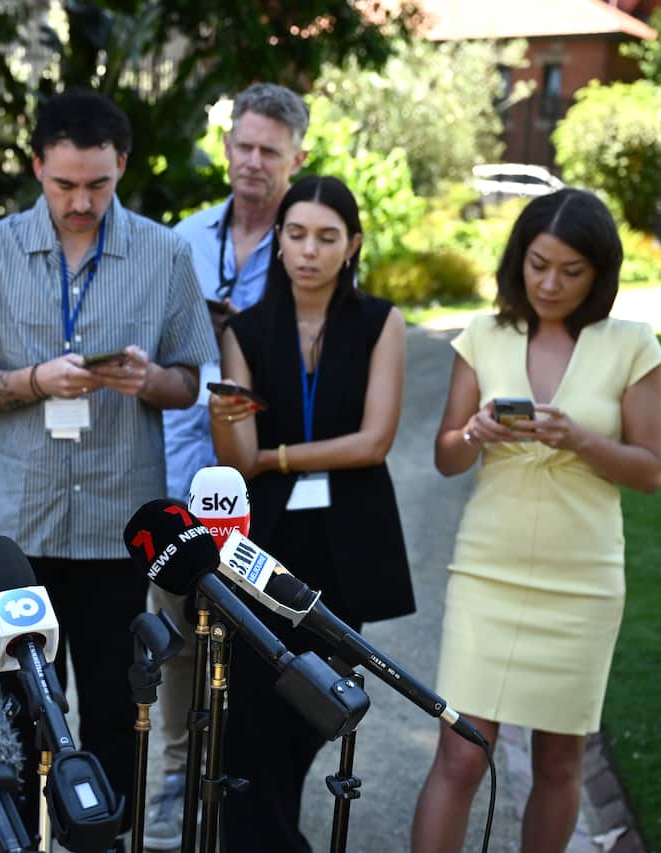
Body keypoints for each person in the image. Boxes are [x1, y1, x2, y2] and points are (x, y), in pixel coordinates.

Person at [0, 88, 217, 844]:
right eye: (63, 184)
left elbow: (188, 384)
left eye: (98, 184)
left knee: (119, 711)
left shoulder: (166, 253)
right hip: (16, 527)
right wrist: (33, 381)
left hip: (120, 522)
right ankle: (11, 839)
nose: (80, 201)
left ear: (122, 164)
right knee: (12, 707)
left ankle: (101, 840)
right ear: (35, 167)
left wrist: (148, 379)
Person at [411, 189, 661, 853]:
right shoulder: (484, 335)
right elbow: (444, 457)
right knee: (463, 754)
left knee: (559, 760)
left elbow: (650, 470)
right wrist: (473, 431)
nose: (550, 283)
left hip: (581, 579)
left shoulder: (634, 345)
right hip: (488, 570)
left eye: (571, 270)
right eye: (538, 264)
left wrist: (578, 438)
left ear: (600, 272)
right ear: (517, 261)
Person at [208, 175, 413, 852]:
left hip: (344, 542)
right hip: (263, 542)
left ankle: (271, 832)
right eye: (296, 234)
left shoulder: (381, 322)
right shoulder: (246, 327)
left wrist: (278, 457)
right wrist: (227, 421)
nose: (309, 250)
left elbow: (374, 440)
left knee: (314, 703)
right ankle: (267, 839)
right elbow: (238, 460)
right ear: (279, 240)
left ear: (351, 245)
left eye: (327, 237)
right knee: (252, 708)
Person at [149, 82, 310, 850]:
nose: (252, 162)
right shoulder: (182, 238)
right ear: (227, 147)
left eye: (268, 151)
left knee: (252, 636)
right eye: (242, 146)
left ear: (296, 158)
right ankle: (180, 771)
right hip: (181, 466)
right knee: (177, 628)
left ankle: (247, 781)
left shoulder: (306, 240)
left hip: (265, 481)